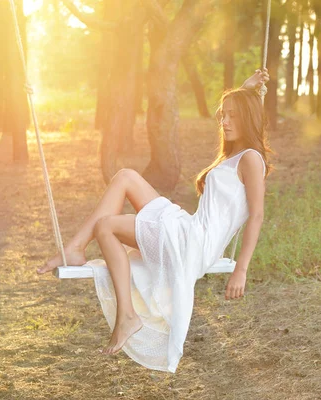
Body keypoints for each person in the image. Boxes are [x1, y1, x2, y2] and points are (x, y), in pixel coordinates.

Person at [36, 68, 273, 373]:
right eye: (223, 115)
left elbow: (257, 215)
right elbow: (240, 112)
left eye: (232, 116)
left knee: (106, 226)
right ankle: (76, 248)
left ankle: (127, 316)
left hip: (193, 243)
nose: (224, 121)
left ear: (247, 118)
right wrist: (246, 90)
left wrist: (240, 270)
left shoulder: (251, 159)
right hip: (188, 229)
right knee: (125, 177)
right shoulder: (235, 155)